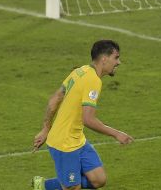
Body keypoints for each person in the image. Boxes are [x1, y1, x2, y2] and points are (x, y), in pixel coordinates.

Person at [32, 40, 134, 190]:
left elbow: (55, 98)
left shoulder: (81, 71)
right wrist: (116, 134)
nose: (118, 62)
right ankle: (45, 186)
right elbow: (88, 119)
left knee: (99, 180)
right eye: (116, 57)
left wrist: (46, 128)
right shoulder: (93, 81)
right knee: (74, 188)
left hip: (78, 139)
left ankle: (46, 185)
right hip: (64, 144)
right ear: (104, 59)